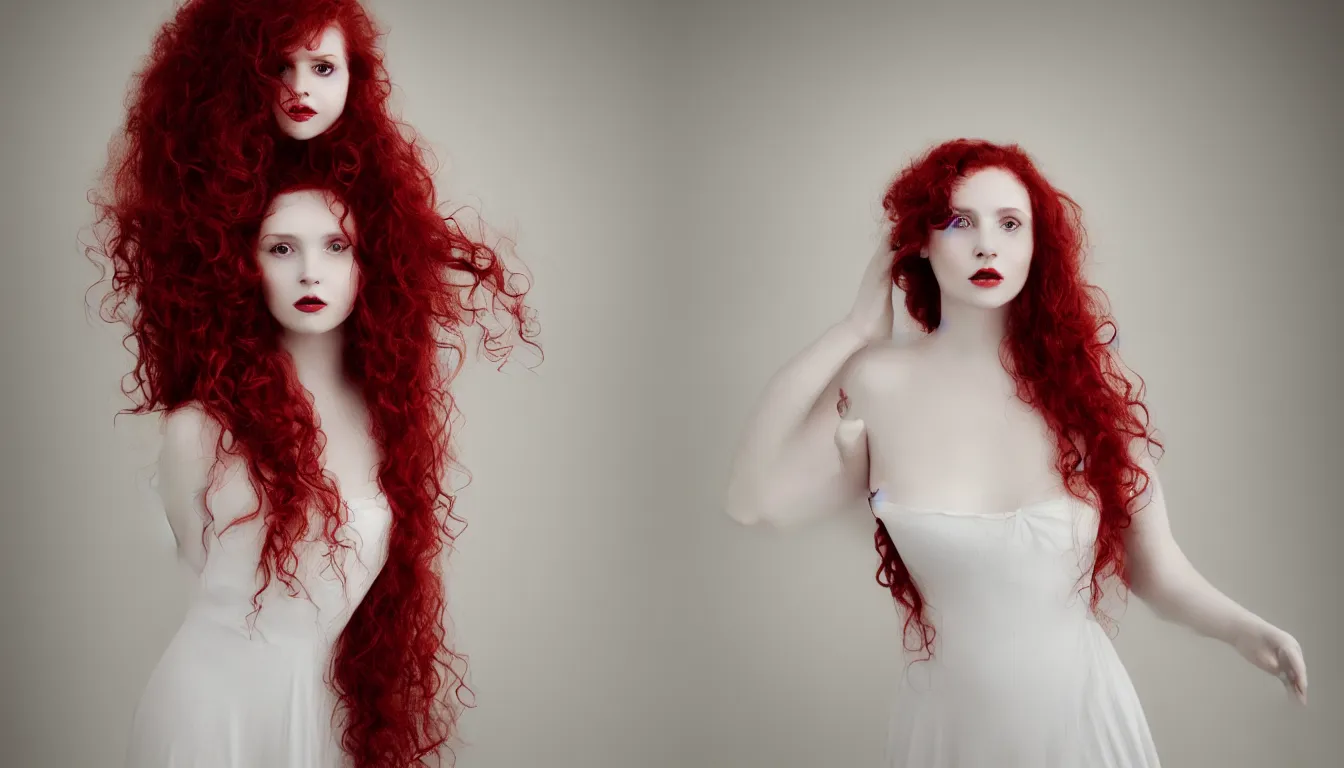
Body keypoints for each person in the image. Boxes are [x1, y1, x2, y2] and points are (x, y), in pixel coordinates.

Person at [724, 138, 1307, 767]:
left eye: (1010, 224)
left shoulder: (1084, 396)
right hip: (948, 734)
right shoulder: (878, 382)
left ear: (1037, 246)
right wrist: (854, 330)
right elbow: (755, 502)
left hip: (1084, 729)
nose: (986, 245)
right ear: (919, 243)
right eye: (958, 222)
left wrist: (1248, 629)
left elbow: (1157, 571)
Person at [88, 2, 537, 765]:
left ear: (373, 264)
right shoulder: (202, 429)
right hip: (208, 717)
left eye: (336, 247)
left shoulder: (388, 421)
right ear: (242, 264)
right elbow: (210, 575)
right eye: (281, 248)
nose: (309, 272)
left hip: (318, 712)